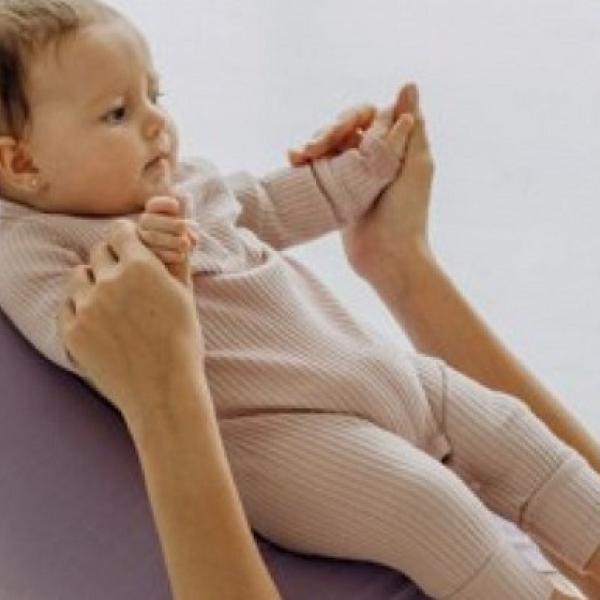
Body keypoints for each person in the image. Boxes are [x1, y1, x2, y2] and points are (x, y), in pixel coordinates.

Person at [0, 1, 598, 598]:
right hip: (283, 436)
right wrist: (143, 259)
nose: (158, 122)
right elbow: (79, 329)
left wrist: (367, 167)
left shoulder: (187, 184)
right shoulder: (32, 245)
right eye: (118, 112)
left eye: (155, 95)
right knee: (430, 508)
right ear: (21, 162)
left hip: (380, 371)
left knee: (516, 434)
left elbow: (271, 204)